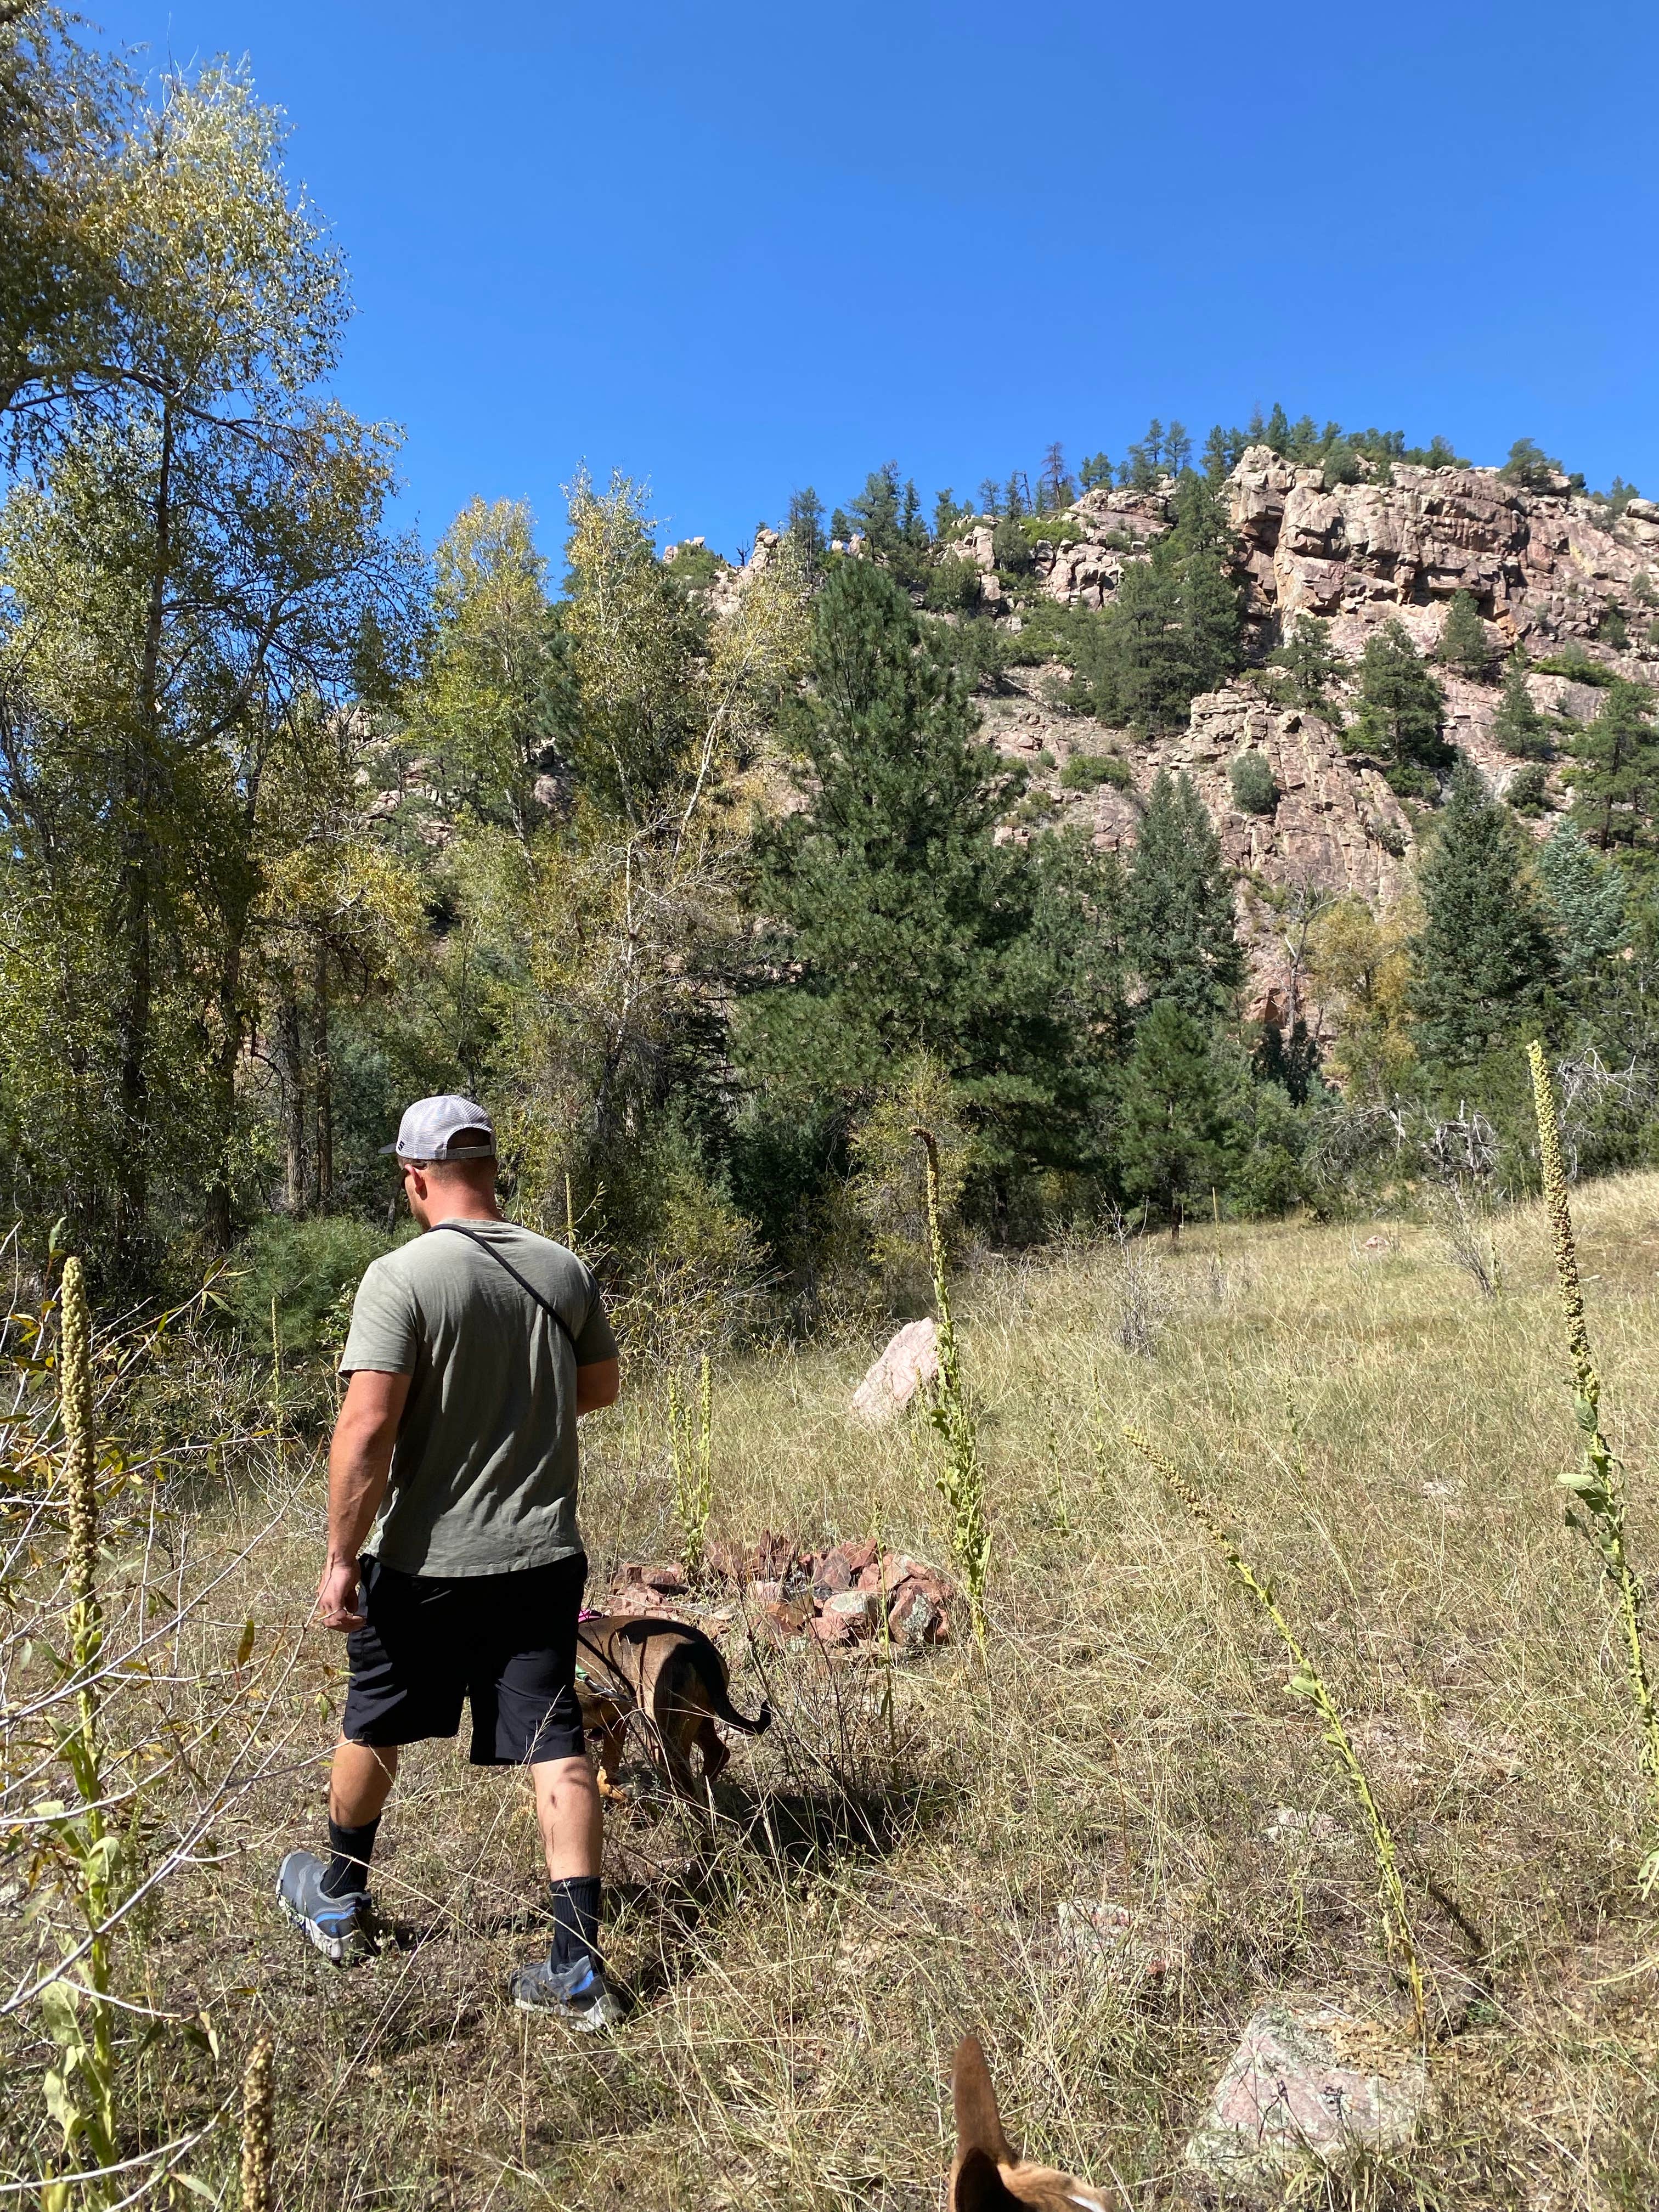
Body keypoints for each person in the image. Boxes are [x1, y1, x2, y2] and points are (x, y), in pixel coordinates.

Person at [276, 1095, 623, 2027]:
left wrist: (340, 1556)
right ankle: (578, 1966)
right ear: (492, 1167)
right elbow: (597, 1388)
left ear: (414, 1176)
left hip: (423, 1560)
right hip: (543, 1555)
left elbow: (366, 1428)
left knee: (376, 1720)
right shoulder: (562, 1268)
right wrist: (513, 1418)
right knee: (557, 1743)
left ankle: (341, 1898)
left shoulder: (400, 1278)